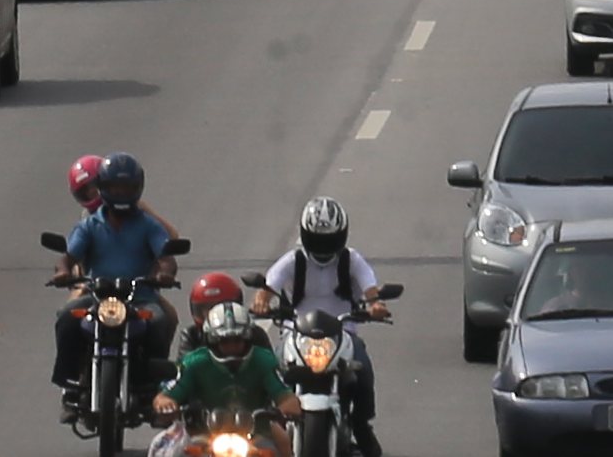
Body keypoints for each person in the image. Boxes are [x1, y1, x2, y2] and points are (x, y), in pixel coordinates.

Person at [52, 153, 184, 416]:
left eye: (126, 188)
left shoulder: (148, 225)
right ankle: (71, 382)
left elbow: (166, 258)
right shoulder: (90, 225)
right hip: (97, 295)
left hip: (140, 296)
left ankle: (150, 383)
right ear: (104, 188)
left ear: (138, 188)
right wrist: (63, 272)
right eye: (114, 188)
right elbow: (68, 257)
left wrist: (165, 274)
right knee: (66, 316)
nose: (120, 194)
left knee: (161, 321)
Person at [256, 197, 388, 454]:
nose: (323, 247)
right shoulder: (293, 261)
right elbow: (267, 287)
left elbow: (370, 287)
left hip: (343, 333)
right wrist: (261, 302)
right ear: (305, 236)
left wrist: (375, 306)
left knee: (364, 371)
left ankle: (361, 425)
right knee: (268, 370)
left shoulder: (352, 260)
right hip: (295, 333)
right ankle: (267, 425)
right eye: (318, 240)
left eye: (329, 240)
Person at [152, 280, 288, 453]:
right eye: (224, 341)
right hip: (201, 431)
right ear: (211, 340)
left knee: (282, 446)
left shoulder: (263, 360)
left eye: (237, 340)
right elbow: (170, 391)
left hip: (256, 432)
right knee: (163, 448)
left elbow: (284, 393)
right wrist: (166, 403)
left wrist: (286, 408)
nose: (231, 347)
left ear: (248, 338)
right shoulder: (194, 362)